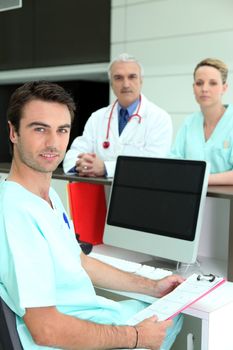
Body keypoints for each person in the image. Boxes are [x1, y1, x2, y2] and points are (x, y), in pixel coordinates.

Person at [0, 81, 183, 350]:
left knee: (169, 310)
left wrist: (152, 286)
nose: (53, 143)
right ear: (13, 132)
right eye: (40, 129)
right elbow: (45, 329)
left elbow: (79, 261)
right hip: (59, 338)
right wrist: (135, 337)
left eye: (62, 130)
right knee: (166, 323)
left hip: (85, 315)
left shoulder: (48, 197)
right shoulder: (15, 212)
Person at [63, 53, 173, 177]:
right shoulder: (97, 118)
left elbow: (154, 164)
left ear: (141, 81)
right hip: (102, 194)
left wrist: (106, 168)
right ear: (111, 83)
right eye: (118, 78)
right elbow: (73, 155)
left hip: (142, 193)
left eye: (132, 77)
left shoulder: (159, 118)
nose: (126, 84)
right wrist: (84, 165)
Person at [170, 58, 233, 185]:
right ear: (193, 88)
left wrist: (201, 178)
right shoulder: (189, 123)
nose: (204, 88)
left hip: (227, 202)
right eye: (199, 83)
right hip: (190, 197)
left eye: (213, 83)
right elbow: (174, 164)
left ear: (224, 88)